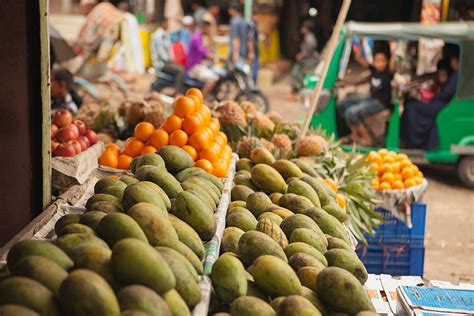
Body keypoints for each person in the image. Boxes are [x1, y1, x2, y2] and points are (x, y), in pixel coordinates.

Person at [401, 48, 459, 150]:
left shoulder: (457, 75)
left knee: (411, 107)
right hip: (439, 102)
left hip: (442, 105)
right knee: (411, 103)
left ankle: (413, 142)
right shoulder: (455, 74)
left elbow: (446, 94)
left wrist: (432, 97)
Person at [337, 42, 395, 145]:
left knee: (352, 112)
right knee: (343, 105)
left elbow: (394, 60)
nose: (380, 63)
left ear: (387, 62)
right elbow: (359, 57)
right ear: (374, 62)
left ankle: (366, 138)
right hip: (371, 99)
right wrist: (360, 41)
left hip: (381, 103)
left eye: (383, 61)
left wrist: (393, 47)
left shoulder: (388, 73)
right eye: (378, 61)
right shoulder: (373, 70)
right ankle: (354, 135)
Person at [150, 18, 185, 93]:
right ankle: (177, 93)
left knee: (181, 68)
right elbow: (162, 54)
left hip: (166, 62)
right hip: (161, 64)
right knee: (180, 71)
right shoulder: (158, 36)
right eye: (167, 24)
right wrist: (173, 61)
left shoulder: (165, 34)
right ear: (163, 24)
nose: (168, 25)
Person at [289, 20, 319, 100]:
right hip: (305, 61)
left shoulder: (310, 39)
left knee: (298, 75)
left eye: (304, 27)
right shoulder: (308, 37)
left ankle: (298, 94)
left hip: (308, 62)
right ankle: (296, 93)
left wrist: (301, 55)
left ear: (307, 29)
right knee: (298, 75)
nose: (302, 29)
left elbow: (310, 52)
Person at [186, 21, 219, 96]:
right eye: (209, 29)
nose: (210, 31)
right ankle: (202, 99)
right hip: (194, 67)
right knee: (214, 78)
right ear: (204, 28)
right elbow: (204, 53)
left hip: (199, 65)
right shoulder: (196, 38)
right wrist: (216, 58)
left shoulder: (201, 37)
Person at [247, 17, 259, 83]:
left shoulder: (253, 24)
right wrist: (251, 52)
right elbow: (250, 39)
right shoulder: (251, 25)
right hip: (254, 51)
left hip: (254, 50)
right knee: (253, 69)